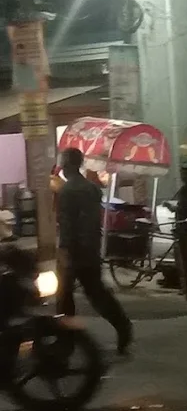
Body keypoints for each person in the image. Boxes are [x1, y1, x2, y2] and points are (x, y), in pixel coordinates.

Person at [56, 148, 133, 356]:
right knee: (97, 294)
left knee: (64, 297)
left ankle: (66, 342)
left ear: (67, 164)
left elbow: (67, 225)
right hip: (90, 250)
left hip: (74, 251)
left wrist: (65, 251)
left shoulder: (66, 191)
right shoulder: (92, 189)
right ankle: (122, 325)